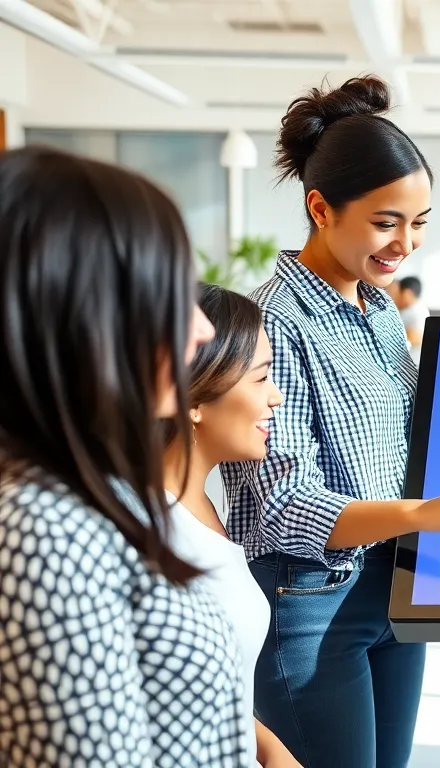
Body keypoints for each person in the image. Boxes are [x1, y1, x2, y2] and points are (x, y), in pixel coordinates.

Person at [219, 75, 440, 767]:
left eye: (419, 223)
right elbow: (282, 505)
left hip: (395, 584)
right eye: (386, 222)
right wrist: (424, 512)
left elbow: (409, 437)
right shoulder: (274, 323)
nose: (405, 243)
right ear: (320, 208)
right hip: (314, 602)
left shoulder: (379, 309)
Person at [0, 147, 250, 764]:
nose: (203, 331)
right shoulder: (47, 530)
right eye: (173, 296)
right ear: (92, 316)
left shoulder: (98, 493)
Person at [161, 283, 300, 768]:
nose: (276, 397)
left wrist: (269, 749)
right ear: (194, 398)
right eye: (260, 378)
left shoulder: (200, 500)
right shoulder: (151, 534)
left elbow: (208, 692)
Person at [393, 276, 430, 361]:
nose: (395, 298)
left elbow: (415, 336)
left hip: (411, 363)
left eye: (397, 293)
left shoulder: (416, 312)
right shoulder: (411, 310)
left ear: (407, 293)